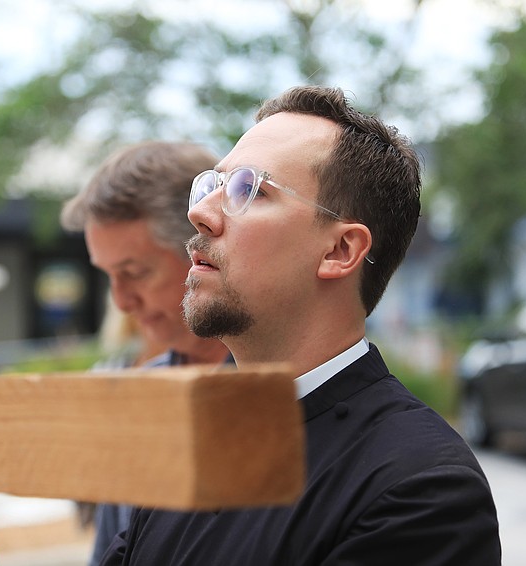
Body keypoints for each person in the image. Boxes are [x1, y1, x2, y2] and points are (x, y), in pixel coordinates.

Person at [99, 86, 502, 564]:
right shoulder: (190, 446)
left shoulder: (419, 487)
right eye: (213, 185)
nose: (200, 214)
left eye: (249, 189)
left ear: (340, 251)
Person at [60, 141, 232, 566]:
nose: (121, 302)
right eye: (109, 277)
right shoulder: (134, 399)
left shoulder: (293, 388)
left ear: (203, 252)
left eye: (135, 273)